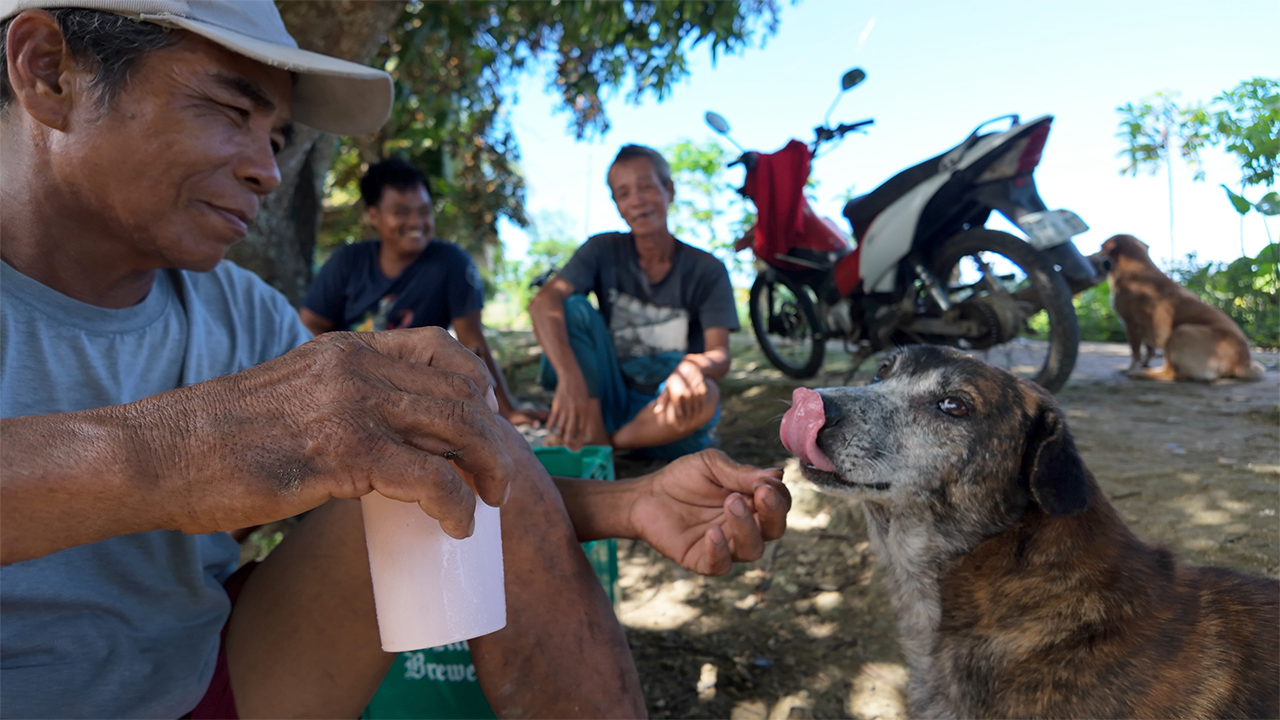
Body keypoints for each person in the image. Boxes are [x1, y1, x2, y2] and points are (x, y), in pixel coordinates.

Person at [0, 3, 791, 720]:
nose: (267, 171)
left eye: (274, 138)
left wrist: (629, 504)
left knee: (449, 440)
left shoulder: (239, 312)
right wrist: (194, 445)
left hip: (210, 672)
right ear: (48, 71)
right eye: (227, 109)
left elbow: (427, 470)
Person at [529, 144, 741, 459]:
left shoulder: (708, 269)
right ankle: (597, 431)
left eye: (646, 187)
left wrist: (693, 366)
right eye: (624, 194)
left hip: (666, 410)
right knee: (570, 307)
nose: (637, 201)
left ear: (669, 190)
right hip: (606, 399)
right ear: (616, 205)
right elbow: (543, 302)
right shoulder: (602, 249)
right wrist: (570, 378)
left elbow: (719, 356)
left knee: (707, 393)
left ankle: (604, 443)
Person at [300, 158, 544, 425]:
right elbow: (309, 326)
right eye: (401, 212)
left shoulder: (451, 263)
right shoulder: (346, 262)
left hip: (419, 396)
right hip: (348, 392)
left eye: (424, 211)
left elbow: (473, 343)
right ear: (373, 215)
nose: (416, 222)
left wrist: (507, 410)